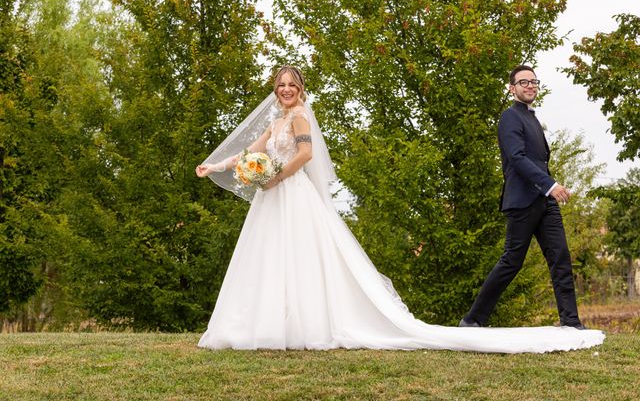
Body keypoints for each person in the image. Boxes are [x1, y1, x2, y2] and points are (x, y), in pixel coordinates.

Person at [196, 65, 603, 353]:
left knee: (558, 259)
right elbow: (252, 153)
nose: (286, 90)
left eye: (292, 85)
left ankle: (568, 320)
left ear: (300, 89)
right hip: (275, 197)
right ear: (276, 88)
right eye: (281, 85)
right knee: (272, 261)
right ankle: (271, 326)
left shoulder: (300, 116)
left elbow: (304, 157)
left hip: (290, 191)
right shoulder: (277, 119)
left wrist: (275, 176)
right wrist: (219, 165)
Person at [460, 65, 584, 329]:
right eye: (524, 82)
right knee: (511, 262)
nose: (530, 86)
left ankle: (571, 323)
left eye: (534, 81)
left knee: (560, 258)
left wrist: (548, 190)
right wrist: (551, 185)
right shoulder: (509, 117)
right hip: (522, 202)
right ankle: (472, 320)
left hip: (545, 201)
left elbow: (539, 161)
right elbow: (517, 158)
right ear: (512, 88)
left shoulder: (532, 118)